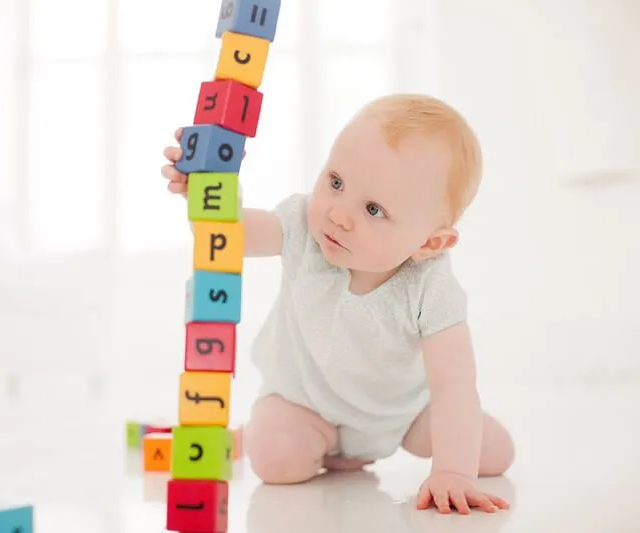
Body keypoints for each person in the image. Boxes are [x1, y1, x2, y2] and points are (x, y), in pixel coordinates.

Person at [160, 94, 515, 515]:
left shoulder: (431, 286)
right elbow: (231, 235)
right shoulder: (300, 227)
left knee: (494, 453)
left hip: (404, 414)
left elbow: (453, 384)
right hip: (305, 403)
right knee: (275, 458)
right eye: (336, 182)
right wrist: (208, 193)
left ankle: (365, 449)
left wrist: (453, 472)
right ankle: (284, 441)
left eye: (373, 209)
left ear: (430, 243)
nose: (339, 215)